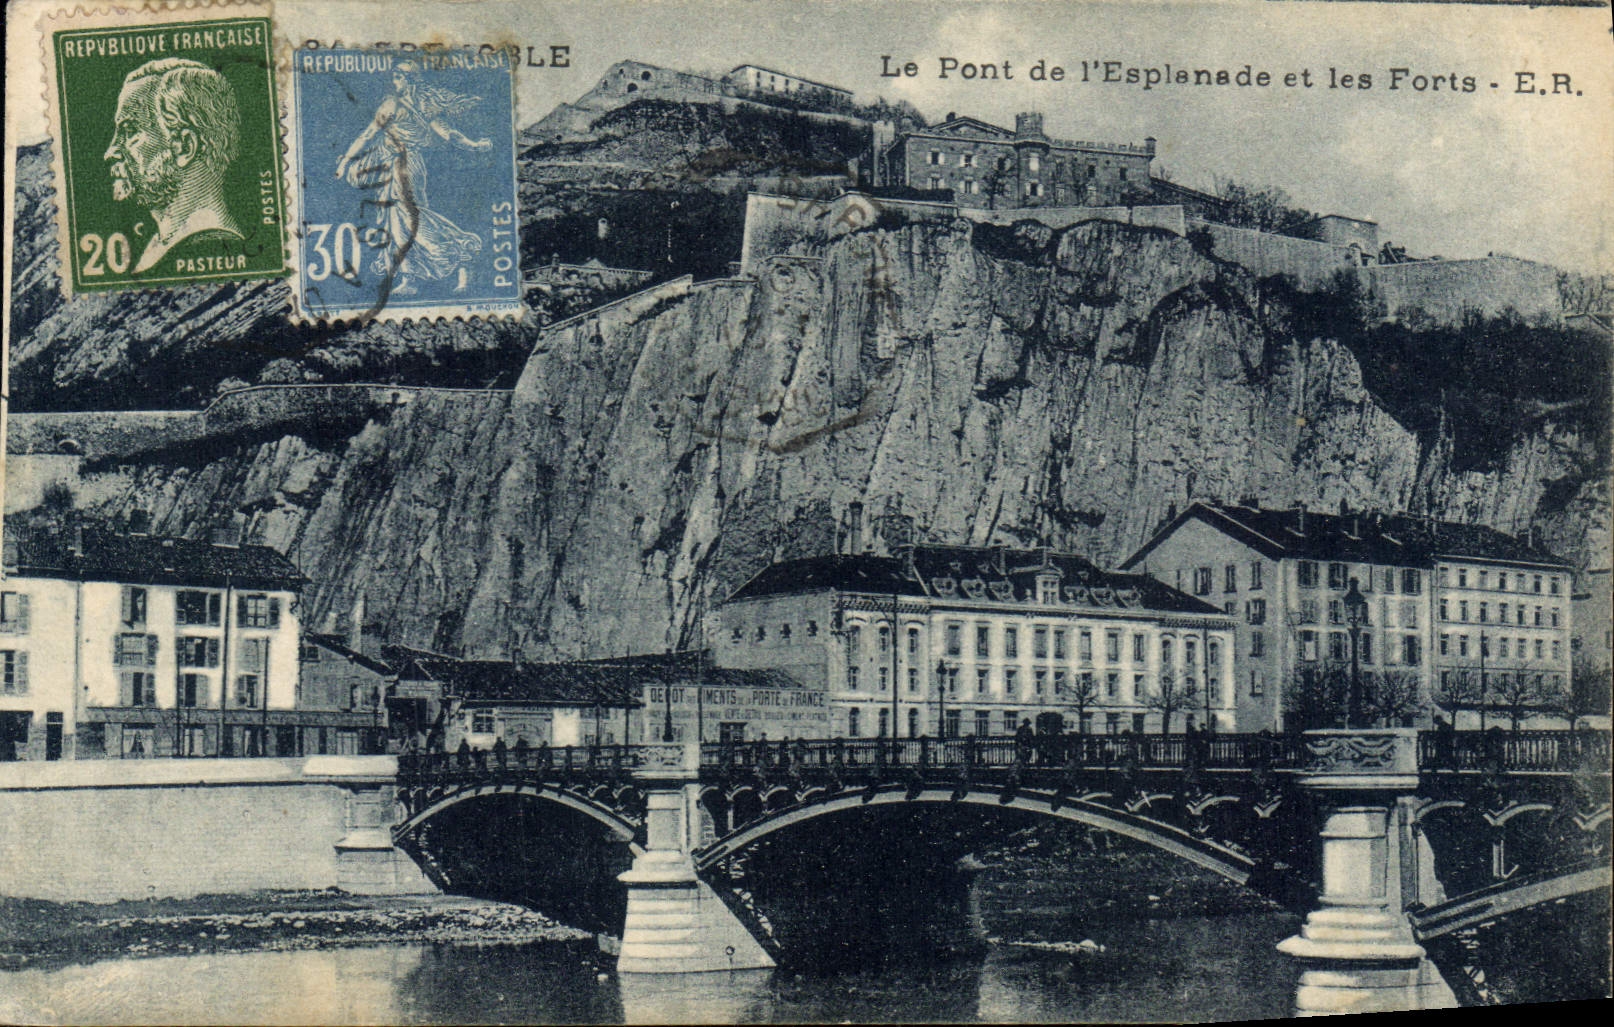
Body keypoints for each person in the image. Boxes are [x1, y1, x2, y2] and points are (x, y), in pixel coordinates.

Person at [335, 61, 490, 295]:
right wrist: (474, 146)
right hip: (404, 164)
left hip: (402, 165)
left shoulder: (395, 104)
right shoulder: (422, 107)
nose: (394, 82)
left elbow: (368, 134)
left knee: (407, 218)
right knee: (395, 218)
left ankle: (459, 250)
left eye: (397, 77)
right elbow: (450, 135)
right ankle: (411, 278)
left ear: (408, 80)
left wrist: (346, 161)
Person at [103, 59, 245, 273]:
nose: (110, 152)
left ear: (185, 147)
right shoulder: (160, 248)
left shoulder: (210, 246)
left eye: (130, 131)